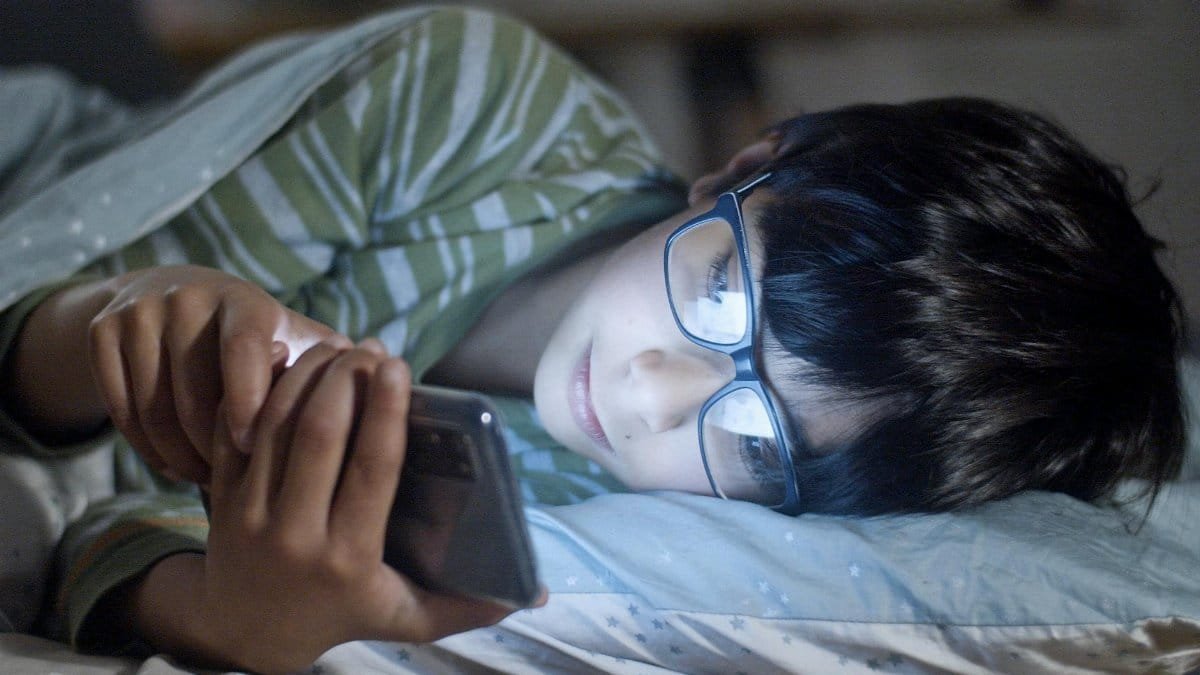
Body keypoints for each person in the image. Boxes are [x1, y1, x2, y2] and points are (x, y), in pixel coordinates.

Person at [0, 6, 1184, 673]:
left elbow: (91, 536)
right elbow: (48, 281)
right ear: (744, 166)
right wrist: (113, 318)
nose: (651, 393)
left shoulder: (596, 515)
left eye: (755, 440)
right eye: (719, 292)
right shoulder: (458, 105)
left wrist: (231, 621)